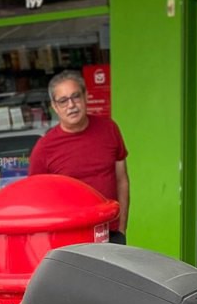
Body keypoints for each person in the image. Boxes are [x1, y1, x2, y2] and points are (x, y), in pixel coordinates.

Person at [27, 70, 129, 243]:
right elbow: (36, 200)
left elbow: (122, 180)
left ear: (86, 96)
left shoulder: (109, 129)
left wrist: (122, 228)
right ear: (55, 106)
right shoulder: (44, 148)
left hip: (110, 233)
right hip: (70, 239)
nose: (71, 105)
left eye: (76, 96)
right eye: (63, 100)